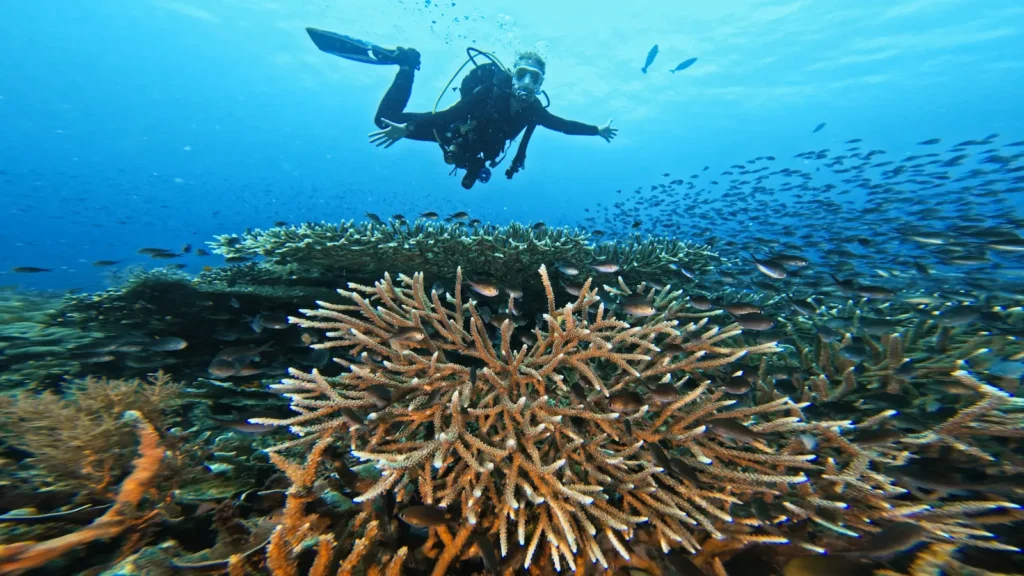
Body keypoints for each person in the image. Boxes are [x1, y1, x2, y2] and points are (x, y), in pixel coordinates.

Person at [306, 28, 618, 189]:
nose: (526, 83)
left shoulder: (534, 109)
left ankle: (405, 69)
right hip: (449, 130)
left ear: (540, 83)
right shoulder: (487, 93)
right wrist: (408, 129)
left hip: (470, 147)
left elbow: (564, 125)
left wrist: (597, 131)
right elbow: (447, 116)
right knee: (383, 120)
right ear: (512, 72)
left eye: (533, 78)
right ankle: (406, 64)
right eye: (521, 74)